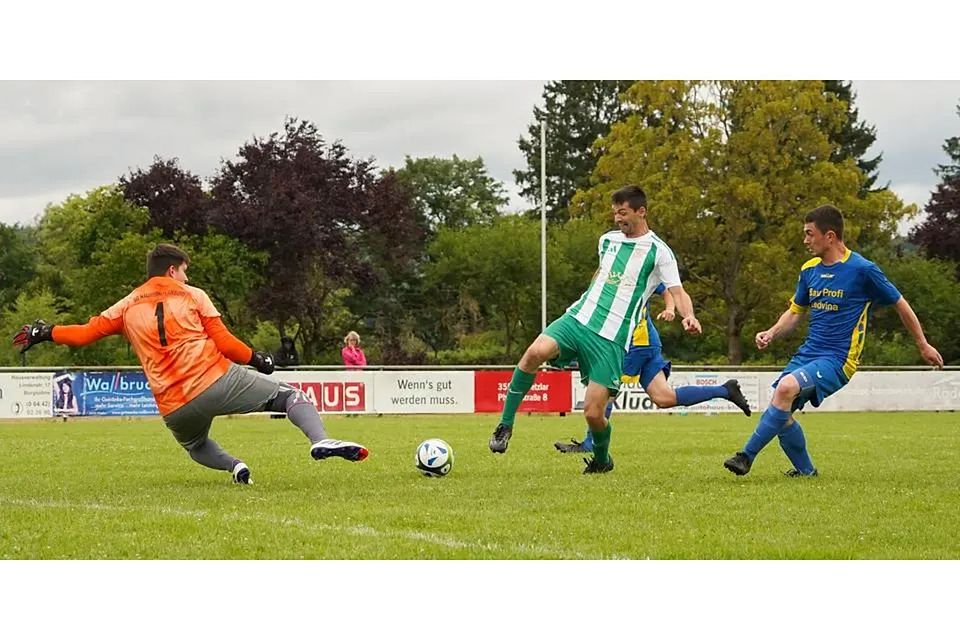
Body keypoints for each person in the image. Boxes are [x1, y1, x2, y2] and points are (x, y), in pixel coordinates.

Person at [12, 243, 368, 484]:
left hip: (172, 404)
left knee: (195, 446)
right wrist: (259, 360)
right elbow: (224, 341)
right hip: (214, 380)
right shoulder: (193, 295)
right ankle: (321, 440)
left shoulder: (127, 304)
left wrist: (47, 332)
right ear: (171, 270)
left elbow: (84, 334)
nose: (186, 277)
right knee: (290, 396)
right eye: (184, 271)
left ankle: (234, 466)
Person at [489, 185, 703, 474]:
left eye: (623, 212)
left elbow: (677, 291)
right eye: (615, 213)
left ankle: (602, 460)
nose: (618, 218)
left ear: (642, 211)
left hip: (611, 339)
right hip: (578, 319)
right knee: (533, 353)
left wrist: (688, 315)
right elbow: (602, 274)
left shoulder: (659, 252)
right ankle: (505, 424)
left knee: (593, 413)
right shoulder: (607, 241)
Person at [723, 204, 944, 477]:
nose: (805, 240)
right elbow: (795, 313)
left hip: (839, 359)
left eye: (809, 234)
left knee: (785, 389)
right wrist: (771, 332)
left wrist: (922, 344)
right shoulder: (809, 270)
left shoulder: (863, 270)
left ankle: (745, 456)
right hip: (809, 354)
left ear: (830, 236)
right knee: (780, 412)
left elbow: (901, 304)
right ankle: (806, 473)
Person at [554, 283, 751, 454]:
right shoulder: (611, 274)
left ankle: (591, 443)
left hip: (637, 343)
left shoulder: (638, 267)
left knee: (605, 392)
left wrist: (670, 309)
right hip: (646, 342)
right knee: (664, 398)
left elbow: (667, 290)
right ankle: (725, 390)